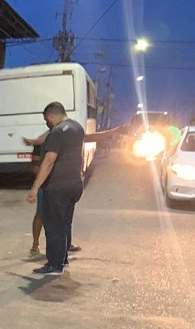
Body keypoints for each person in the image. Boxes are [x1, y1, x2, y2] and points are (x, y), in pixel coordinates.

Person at [24, 123, 123, 260]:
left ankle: (64, 246)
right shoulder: (43, 142)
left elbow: (90, 137)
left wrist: (112, 132)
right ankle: (36, 245)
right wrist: (42, 181)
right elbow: (36, 166)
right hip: (47, 185)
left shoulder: (66, 138)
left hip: (63, 185)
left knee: (64, 217)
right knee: (42, 214)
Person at [27, 101, 85, 275]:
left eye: (47, 120)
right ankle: (63, 258)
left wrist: (34, 188)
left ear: (51, 116)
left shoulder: (57, 132)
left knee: (53, 226)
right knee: (65, 223)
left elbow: (49, 161)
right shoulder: (77, 128)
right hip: (74, 184)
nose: (48, 123)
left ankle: (54, 264)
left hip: (58, 187)